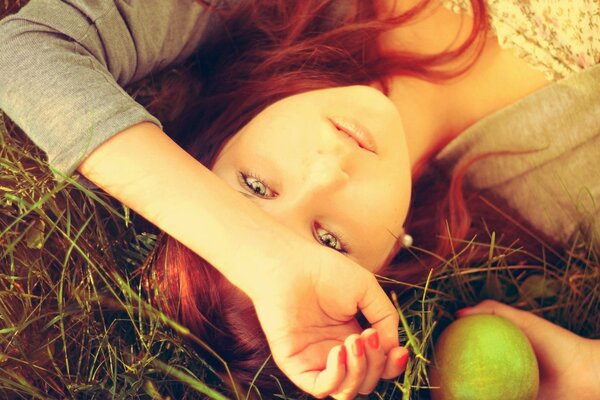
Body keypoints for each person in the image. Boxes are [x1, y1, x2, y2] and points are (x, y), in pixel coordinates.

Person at [0, 0, 599, 398]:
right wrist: (582, 373)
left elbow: (22, 50)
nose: (326, 173)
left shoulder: (263, 9)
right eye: (328, 241)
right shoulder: (568, 188)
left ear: (210, 146)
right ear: (382, 271)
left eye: (255, 188)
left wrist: (260, 258)